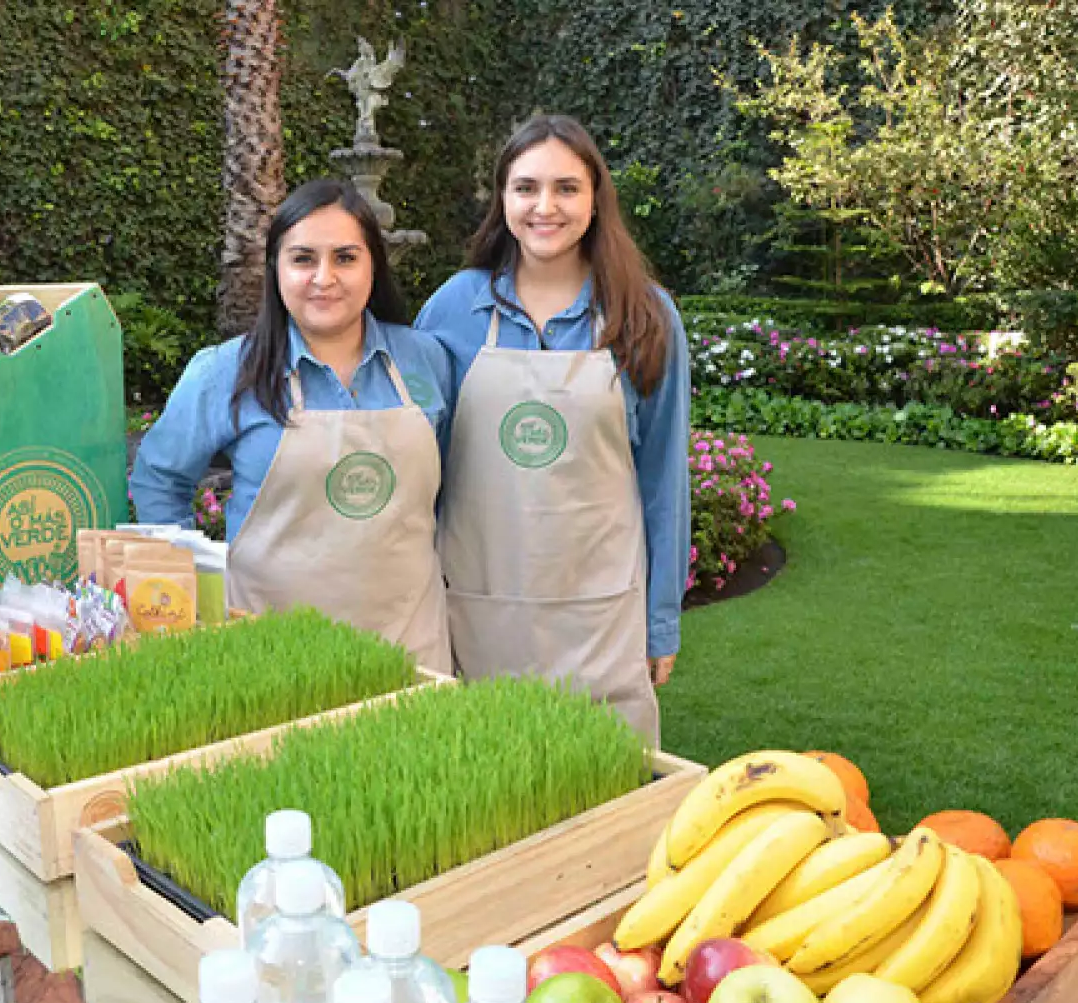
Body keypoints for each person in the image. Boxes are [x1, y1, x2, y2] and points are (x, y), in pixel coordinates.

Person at [414, 114, 691, 746]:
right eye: (526, 187)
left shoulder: (643, 314)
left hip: (601, 613)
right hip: (478, 608)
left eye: (567, 188)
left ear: (596, 198)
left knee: (602, 798)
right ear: (502, 199)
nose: (546, 206)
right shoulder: (453, 309)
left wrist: (661, 623)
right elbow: (420, 469)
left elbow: (664, 479)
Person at [130, 179, 454, 673]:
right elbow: (158, 479)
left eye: (345, 258)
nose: (324, 277)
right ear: (276, 270)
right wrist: (192, 591)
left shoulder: (425, 359)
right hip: (268, 652)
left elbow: (451, 483)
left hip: (410, 644)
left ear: (374, 267)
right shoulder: (225, 372)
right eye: (303, 259)